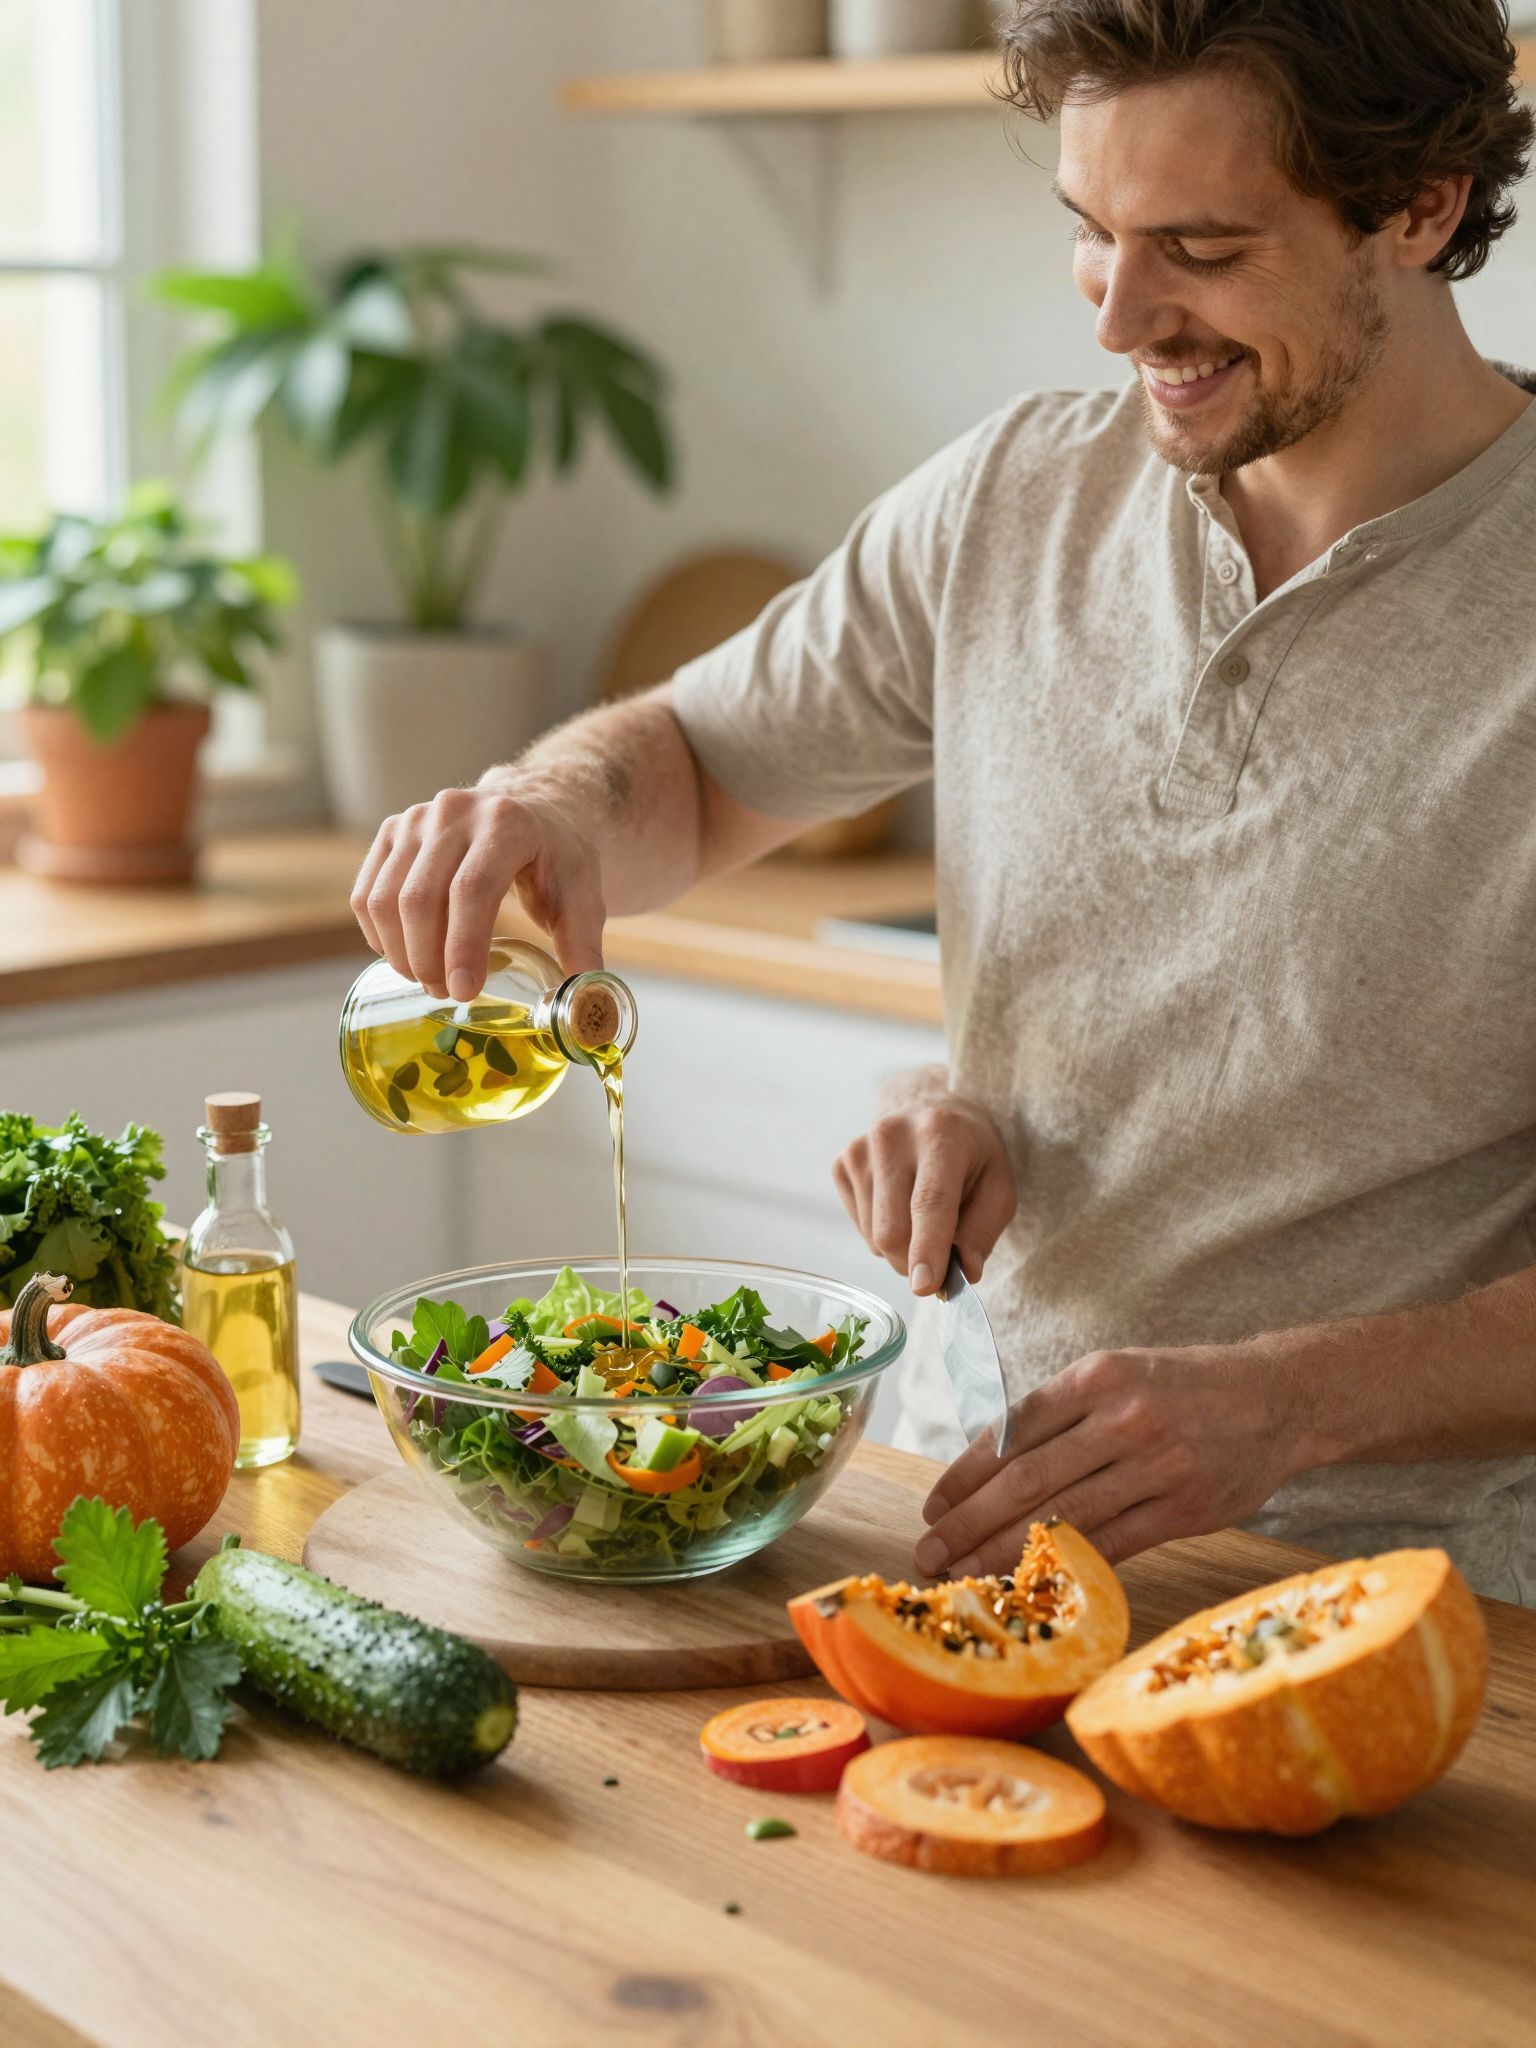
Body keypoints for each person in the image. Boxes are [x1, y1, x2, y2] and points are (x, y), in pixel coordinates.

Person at [352, 0, 1536, 1602]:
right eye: (1090, 235)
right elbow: (698, 767)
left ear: (1422, 205)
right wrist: (552, 805)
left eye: (1198, 246)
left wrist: (1288, 1401)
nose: (1121, 320)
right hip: (968, 1530)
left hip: (1415, 1618)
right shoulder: (1015, 497)